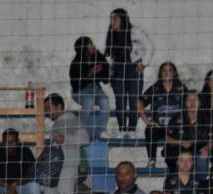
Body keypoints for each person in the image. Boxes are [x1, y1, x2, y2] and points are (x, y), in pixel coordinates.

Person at [42, 94, 90, 194]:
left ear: (59, 107)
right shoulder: (57, 124)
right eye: (45, 109)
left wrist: (66, 138)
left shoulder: (70, 119)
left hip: (68, 166)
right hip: (55, 168)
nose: (47, 112)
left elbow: (85, 138)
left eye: (49, 108)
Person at [104, 8, 153, 137]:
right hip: (117, 70)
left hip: (133, 69)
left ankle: (131, 129)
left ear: (123, 19)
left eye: (115, 19)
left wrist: (143, 64)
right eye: (111, 19)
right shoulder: (111, 34)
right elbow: (108, 55)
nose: (112, 22)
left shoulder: (135, 32)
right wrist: (109, 71)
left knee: (133, 101)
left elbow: (149, 47)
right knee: (120, 101)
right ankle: (122, 129)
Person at [138, 62, 185, 167]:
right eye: (164, 70)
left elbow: (190, 103)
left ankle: (176, 160)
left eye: (170, 70)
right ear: (160, 73)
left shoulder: (181, 88)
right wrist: (148, 121)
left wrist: (184, 120)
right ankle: (152, 160)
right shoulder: (155, 88)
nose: (167, 73)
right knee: (150, 129)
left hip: (175, 128)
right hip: (159, 127)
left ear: (174, 73)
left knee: (183, 134)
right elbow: (139, 102)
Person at [163, 90, 212, 177]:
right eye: (189, 100)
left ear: (200, 102)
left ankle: (201, 186)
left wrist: (208, 147)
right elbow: (167, 138)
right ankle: (175, 183)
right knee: (177, 158)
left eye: (195, 100)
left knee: (202, 159)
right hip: (179, 150)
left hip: (198, 150)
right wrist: (181, 142)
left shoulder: (207, 118)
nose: (192, 103)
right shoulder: (177, 117)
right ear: (185, 103)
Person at [69, 36, 110, 140]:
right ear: (83, 48)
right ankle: (79, 130)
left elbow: (106, 78)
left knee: (105, 100)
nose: (93, 46)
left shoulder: (97, 57)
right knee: (89, 100)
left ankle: (102, 131)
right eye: (90, 44)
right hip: (79, 90)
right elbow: (76, 85)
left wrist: (105, 68)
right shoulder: (76, 63)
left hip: (95, 88)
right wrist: (90, 73)